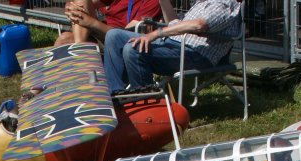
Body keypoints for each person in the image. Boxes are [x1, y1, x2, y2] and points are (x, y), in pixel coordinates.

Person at [103, 0, 241, 92]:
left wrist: (156, 34)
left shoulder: (225, 4)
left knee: (134, 49)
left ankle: (145, 100)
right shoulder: (201, 3)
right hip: (172, 44)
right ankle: (115, 93)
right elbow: (173, 23)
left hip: (196, 54)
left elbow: (199, 25)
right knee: (114, 35)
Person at [55, 0, 161, 46]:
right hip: (101, 35)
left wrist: (90, 22)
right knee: (64, 39)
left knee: (68, 42)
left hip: (120, 43)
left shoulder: (152, 1)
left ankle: (80, 52)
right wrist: (71, 6)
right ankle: (80, 47)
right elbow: (85, 3)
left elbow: (127, 35)